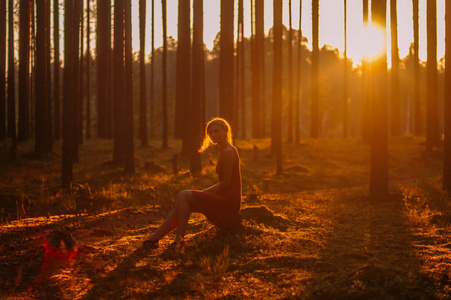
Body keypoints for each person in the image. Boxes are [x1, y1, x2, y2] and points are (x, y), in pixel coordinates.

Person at [143, 117, 242, 249]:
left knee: (183, 195)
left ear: (226, 132)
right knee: (182, 203)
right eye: (210, 132)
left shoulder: (229, 151)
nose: (213, 135)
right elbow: (223, 184)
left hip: (229, 202)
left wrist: (206, 196)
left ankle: (179, 240)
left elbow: (225, 183)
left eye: (217, 131)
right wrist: (204, 194)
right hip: (225, 197)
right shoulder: (224, 150)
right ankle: (154, 239)